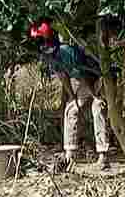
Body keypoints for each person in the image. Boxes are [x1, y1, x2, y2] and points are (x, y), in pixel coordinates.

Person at [32, 22, 112, 169]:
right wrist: (72, 97)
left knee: (98, 108)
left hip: (98, 78)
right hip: (84, 81)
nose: (41, 45)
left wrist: (94, 95)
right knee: (71, 109)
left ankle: (103, 155)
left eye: (42, 41)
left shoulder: (65, 51)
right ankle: (69, 155)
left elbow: (84, 74)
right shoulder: (51, 56)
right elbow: (63, 76)